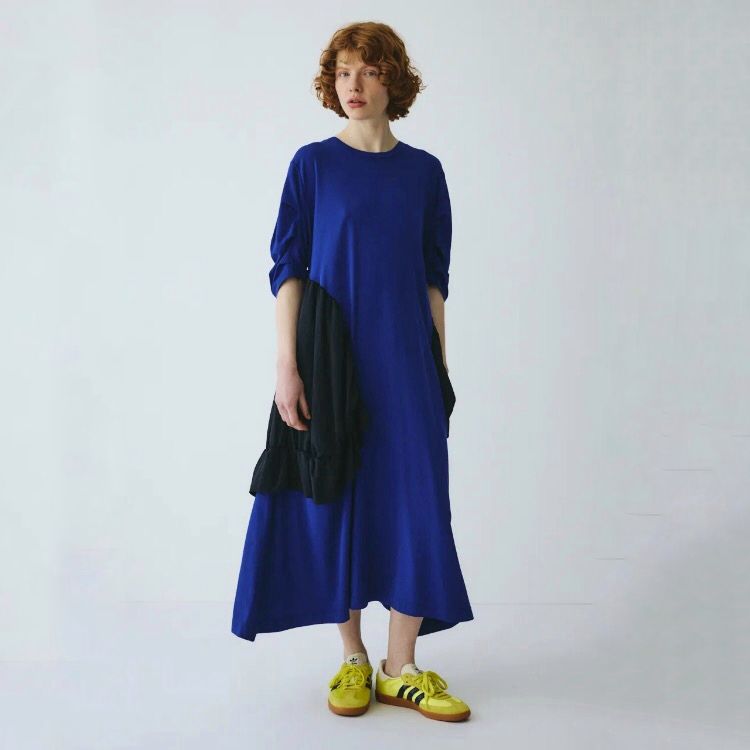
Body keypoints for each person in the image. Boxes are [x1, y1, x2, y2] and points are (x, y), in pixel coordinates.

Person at [231, 21, 473, 722]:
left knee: (417, 501)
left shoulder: (424, 173)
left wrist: (438, 370)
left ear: (394, 80)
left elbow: (434, 280)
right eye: (342, 73)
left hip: (407, 363)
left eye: (368, 71)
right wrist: (287, 367)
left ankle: (402, 667)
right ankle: (354, 658)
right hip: (329, 361)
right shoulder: (312, 165)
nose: (354, 85)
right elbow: (288, 269)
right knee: (333, 494)